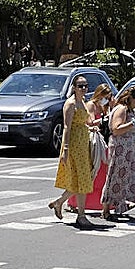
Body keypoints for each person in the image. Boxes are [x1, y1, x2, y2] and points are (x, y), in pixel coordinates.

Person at [48, 75, 103, 228]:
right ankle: (81, 215)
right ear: (74, 87)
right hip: (73, 145)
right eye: (80, 86)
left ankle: (59, 202)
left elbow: (82, 122)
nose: (83, 88)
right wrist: (65, 148)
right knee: (80, 179)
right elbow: (67, 127)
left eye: (85, 85)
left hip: (83, 143)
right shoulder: (71, 103)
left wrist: (90, 128)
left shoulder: (83, 101)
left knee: (81, 179)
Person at [100, 84, 135, 220]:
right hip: (121, 150)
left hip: (131, 150)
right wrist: (133, 123)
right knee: (116, 178)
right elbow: (116, 129)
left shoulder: (129, 110)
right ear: (130, 98)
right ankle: (106, 210)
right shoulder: (121, 109)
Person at [68, 83, 113, 218]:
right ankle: (74, 202)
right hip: (91, 141)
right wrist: (102, 120)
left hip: (103, 141)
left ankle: (101, 202)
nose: (106, 100)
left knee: (103, 173)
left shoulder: (104, 106)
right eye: (105, 97)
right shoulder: (91, 105)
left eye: (108, 97)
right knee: (93, 172)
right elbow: (89, 122)